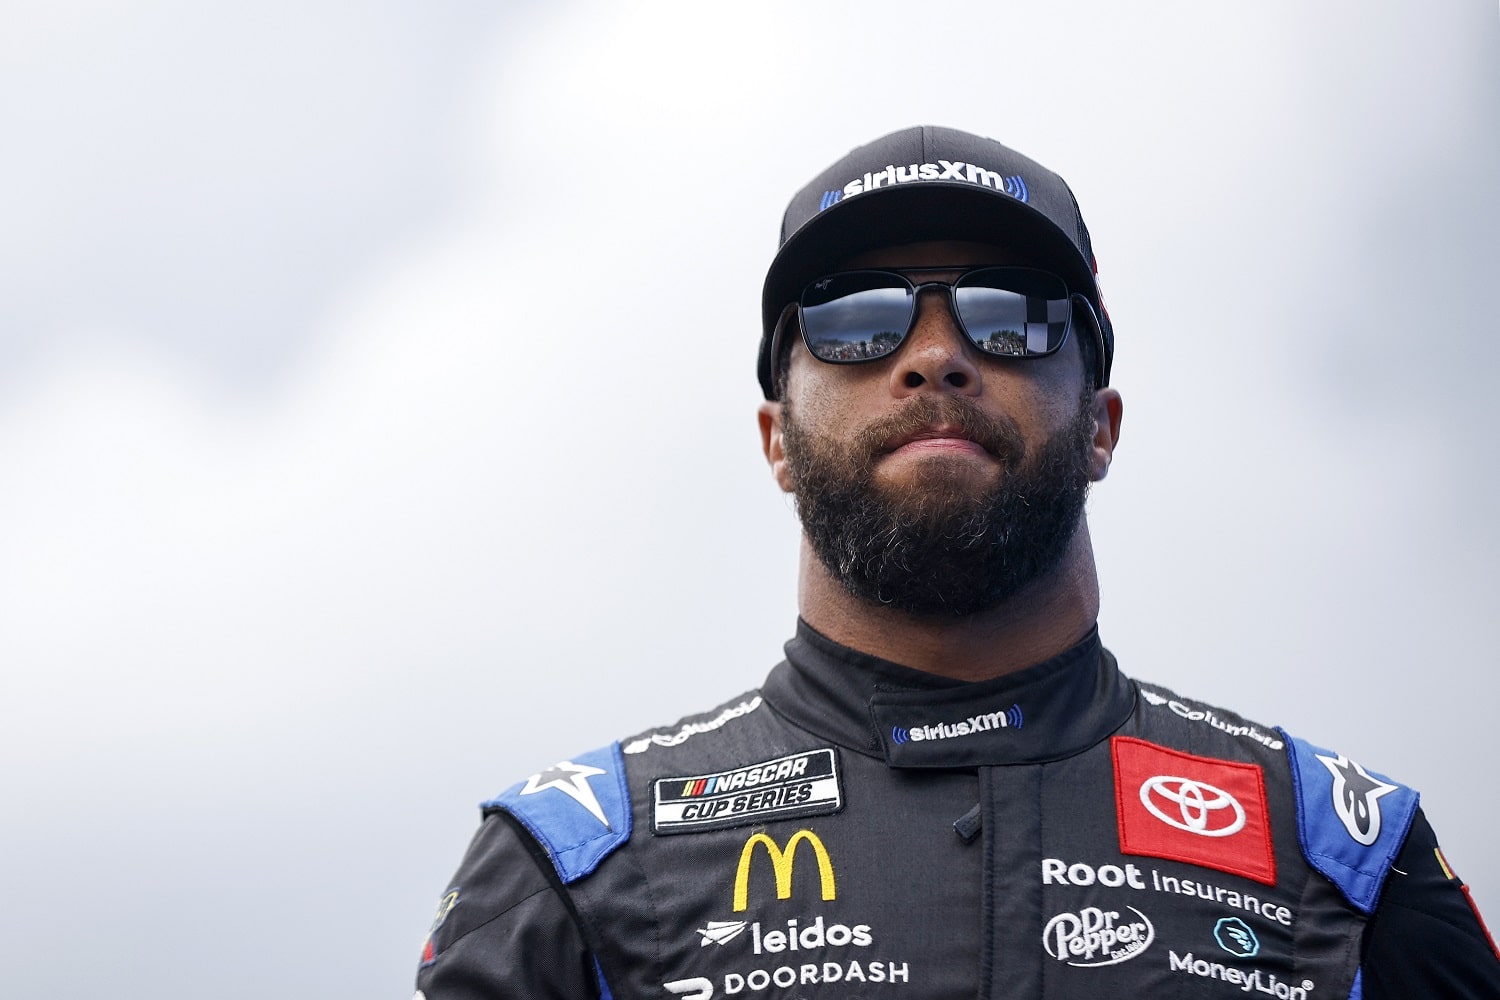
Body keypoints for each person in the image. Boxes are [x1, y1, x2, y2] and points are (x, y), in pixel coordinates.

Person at [412, 126, 1500, 999]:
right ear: (776, 438)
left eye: (1011, 315)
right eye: (854, 319)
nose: (935, 356)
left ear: (1103, 423)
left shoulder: (1344, 853)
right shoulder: (574, 864)